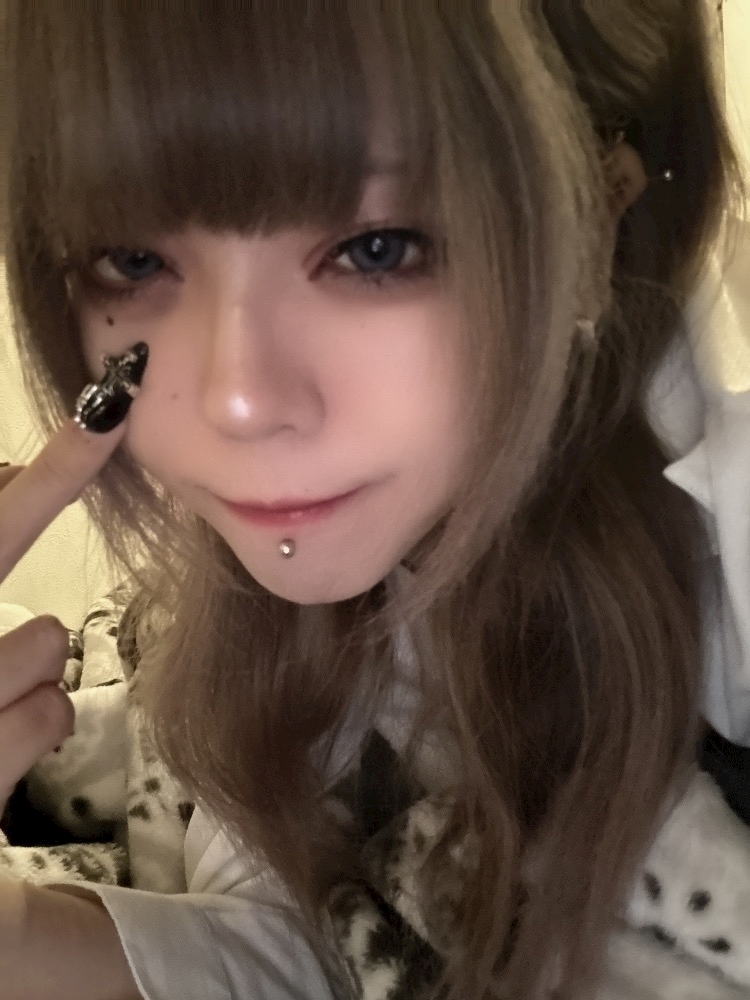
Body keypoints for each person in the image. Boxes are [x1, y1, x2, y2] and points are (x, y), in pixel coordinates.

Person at [0, 3, 738, 999]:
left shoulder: (725, 564)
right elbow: (308, 949)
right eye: (134, 260)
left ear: (595, 218)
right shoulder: (272, 603)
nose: (239, 401)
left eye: (378, 248)